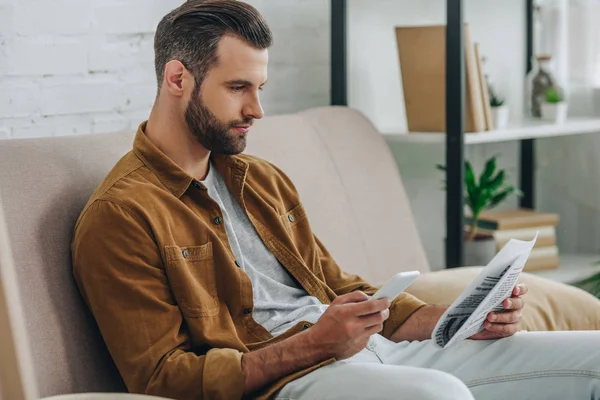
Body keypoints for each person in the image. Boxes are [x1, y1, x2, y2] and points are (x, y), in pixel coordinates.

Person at [71, 1, 600, 399]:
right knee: (439, 395)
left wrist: (456, 319)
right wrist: (317, 343)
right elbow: (161, 378)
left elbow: (341, 288)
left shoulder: (261, 180)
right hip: (292, 380)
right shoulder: (121, 216)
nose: (257, 109)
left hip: (373, 352)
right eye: (238, 88)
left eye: (260, 87)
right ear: (177, 78)